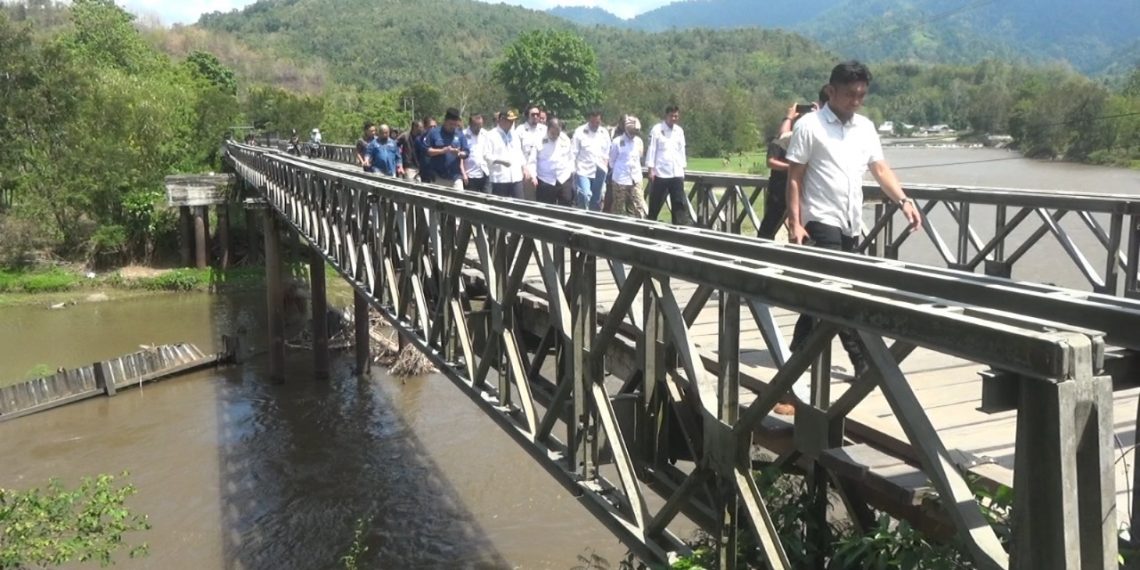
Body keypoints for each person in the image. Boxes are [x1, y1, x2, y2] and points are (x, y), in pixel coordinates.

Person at [785, 60, 923, 384]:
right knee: (840, 290)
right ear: (831, 90)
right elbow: (794, 178)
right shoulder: (810, 126)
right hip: (820, 218)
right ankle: (863, 362)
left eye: (862, 94)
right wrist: (795, 222)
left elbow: (880, 169)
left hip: (851, 221)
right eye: (850, 94)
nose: (856, 100)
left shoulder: (865, 128)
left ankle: (797, 355)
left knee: (823, 293)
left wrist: (903, 200)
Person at [645, 105, 690, 225]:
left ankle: (678, 228)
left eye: (676, 116)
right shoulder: (657, 129)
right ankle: (650, 226)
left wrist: (683, 169)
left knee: (678, 203)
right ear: (666, 116)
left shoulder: (679, 131)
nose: (674, 118)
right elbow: (652, 149)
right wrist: (650, 169)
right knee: (655, 202)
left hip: (676, 172)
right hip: (661, 173)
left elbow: (682, 151)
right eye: (671, 116)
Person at [529, 117, 575, 206]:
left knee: (567, 202)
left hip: (563, 177)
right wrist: (533, 176)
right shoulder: (539, 140)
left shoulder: (565, 139)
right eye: (553, 133)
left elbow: (570, 157)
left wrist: (571, 172)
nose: (555, 136)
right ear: (548, 129)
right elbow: (532, 160)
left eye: (557, 133)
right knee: (545, 207)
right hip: (546, 179)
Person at [572, 109, 611, 210]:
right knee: (585, 195)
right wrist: (573, 170)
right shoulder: (579, 132)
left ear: (601, 121)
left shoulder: (604, 133)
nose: (595, 124)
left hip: (599, 171)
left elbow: (607, 152)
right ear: (589, 119)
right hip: (583, 170)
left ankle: (594, 221)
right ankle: (582, 217)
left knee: (596, 200)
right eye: (592, 122)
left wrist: (605, 164)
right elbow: (573, 152)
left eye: (597, 122)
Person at [608, 116, 647, 218]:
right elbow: (612, 160)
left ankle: (640, 226)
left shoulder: (639, 141)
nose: (634, 134)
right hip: (620, 178)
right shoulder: (617, 141)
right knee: (618, 206)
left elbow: (640, 156)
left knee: (639, 204)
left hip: (636, 177)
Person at [484, 109, 527, 199]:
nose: (511, 123)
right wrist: (501, 161)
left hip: (516, 176)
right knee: (501, 207)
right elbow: (486, 155)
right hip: (500, 178)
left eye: (513, 121)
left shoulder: (515, 135)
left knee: (520, 204)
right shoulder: (491, 135)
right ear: (502, 120)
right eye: (509, 120)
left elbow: (519, 153)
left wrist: (524, 167)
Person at [425, 108, 469, 190]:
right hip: (438, 178)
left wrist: (459, 154)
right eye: (450, 124)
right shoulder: (434, 132)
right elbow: (427, 151)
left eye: (455, 124)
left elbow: (466, 152)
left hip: (455, 178)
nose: (453, 127)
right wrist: (442, 151)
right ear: (445, 121)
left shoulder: (460, 134)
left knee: (458, 201)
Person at [515, 105, 547, 198]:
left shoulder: (544, 130)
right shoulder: (520, 130)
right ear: (527, 115)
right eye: (533, 115)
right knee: (530, 200)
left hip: (543, 172)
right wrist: (525, 170)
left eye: (537, 114)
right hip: (527, 171)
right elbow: (517, 152)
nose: (536, 117)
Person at [463, 114, 490, 193]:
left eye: (480, 125)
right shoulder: (463, 135)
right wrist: (464, 173)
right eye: (476, 125)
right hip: (470, 175)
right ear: (470, 124)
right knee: (472, 202)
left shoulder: (485, 134)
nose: (479, 128)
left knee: (488, 200)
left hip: (484, 172)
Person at [415, 116, 437, 183]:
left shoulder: (440, 139)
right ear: (425, 127)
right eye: (430, 127)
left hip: (438, 175)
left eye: (435, 126)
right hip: (425, 174)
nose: (433, 129)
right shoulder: (419, 139)